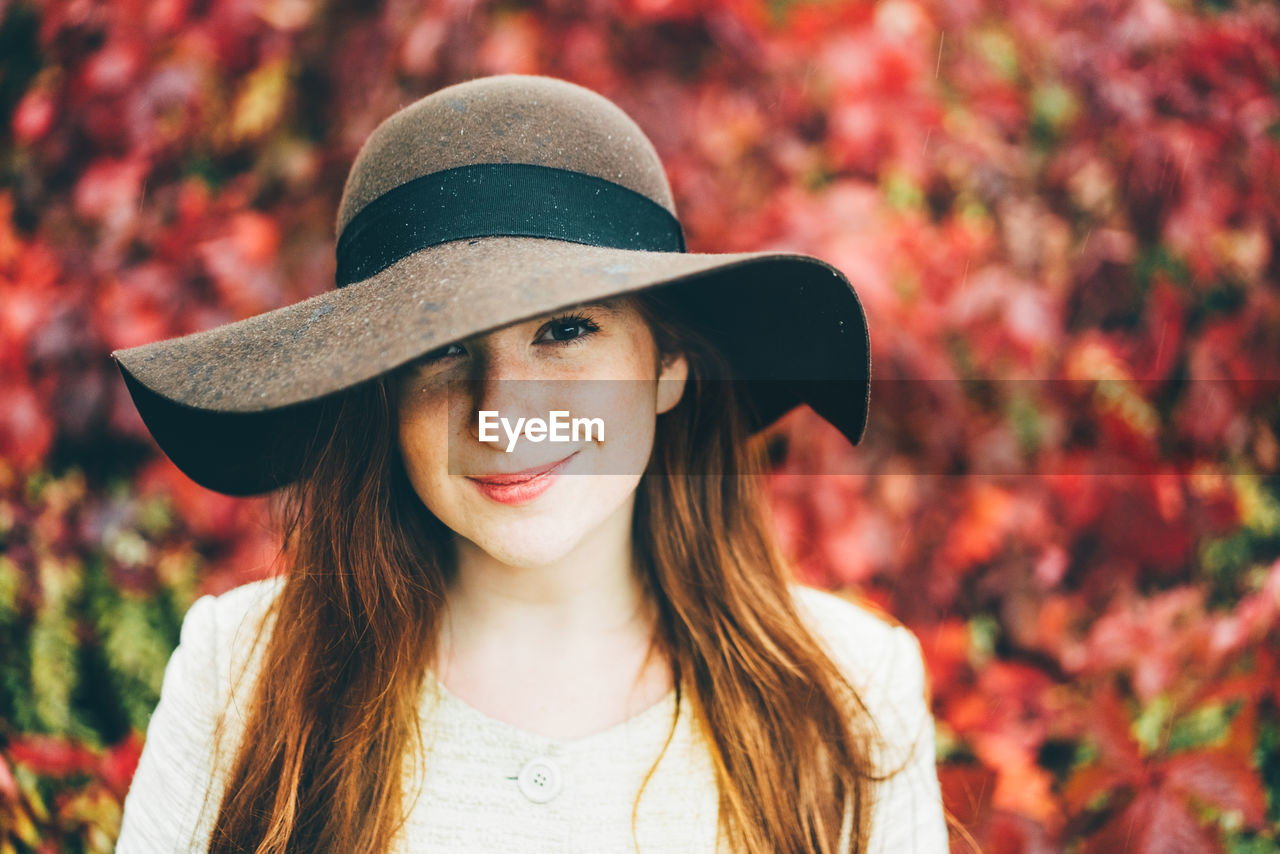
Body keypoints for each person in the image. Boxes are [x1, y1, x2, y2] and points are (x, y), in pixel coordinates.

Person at [111, 74, 951, 853]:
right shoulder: (247, 676)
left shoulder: (845, 693)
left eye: (566, 329)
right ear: (379, 393)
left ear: (667, 368)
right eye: (439, 349)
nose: (503, 412)